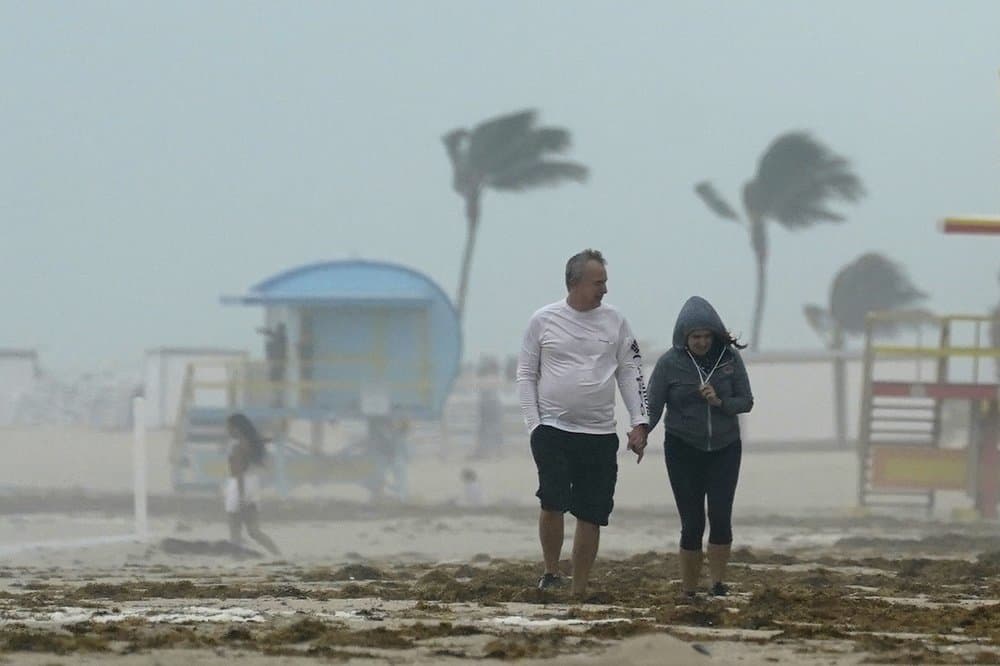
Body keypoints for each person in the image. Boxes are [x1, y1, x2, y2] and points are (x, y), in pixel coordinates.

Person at [517, 248, 649, 596]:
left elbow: (631, 370)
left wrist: (640, 422)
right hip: (553, 430)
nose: (604, 289)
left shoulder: (616, 321)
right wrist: (535, 425)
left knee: (592, 512)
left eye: (605, 282)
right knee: (553, 502)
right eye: (598, 282)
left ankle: (579, 586)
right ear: (575, 283)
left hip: (600, 433)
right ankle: (550, 571)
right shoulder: (543, 320)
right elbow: (526, 374)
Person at [642, 296, 753, 598]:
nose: (702, 342)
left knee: (720, 516)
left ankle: (717, 583)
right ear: (684, 337)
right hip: (682, 448)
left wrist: (720, 402)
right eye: (695, 337)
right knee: (692, 522)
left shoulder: (729, 360)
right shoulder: (669, 363)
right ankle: (689, 589)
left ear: (715, 335)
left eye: (706, 336)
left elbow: (746, 402)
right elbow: (653, 406)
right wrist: (641, 433)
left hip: (725, 447)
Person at [224, 413, 281, 556]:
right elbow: (267, 441)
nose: (227, 431)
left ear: (236, 428)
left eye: (229, 427)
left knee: (235, 530)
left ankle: (237, 559)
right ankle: (277, 554)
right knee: (254, 530)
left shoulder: (237, 447)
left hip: (239, 487)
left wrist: (241, 497)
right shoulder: (252, 443)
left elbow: (238, 473)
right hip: (253, 485)